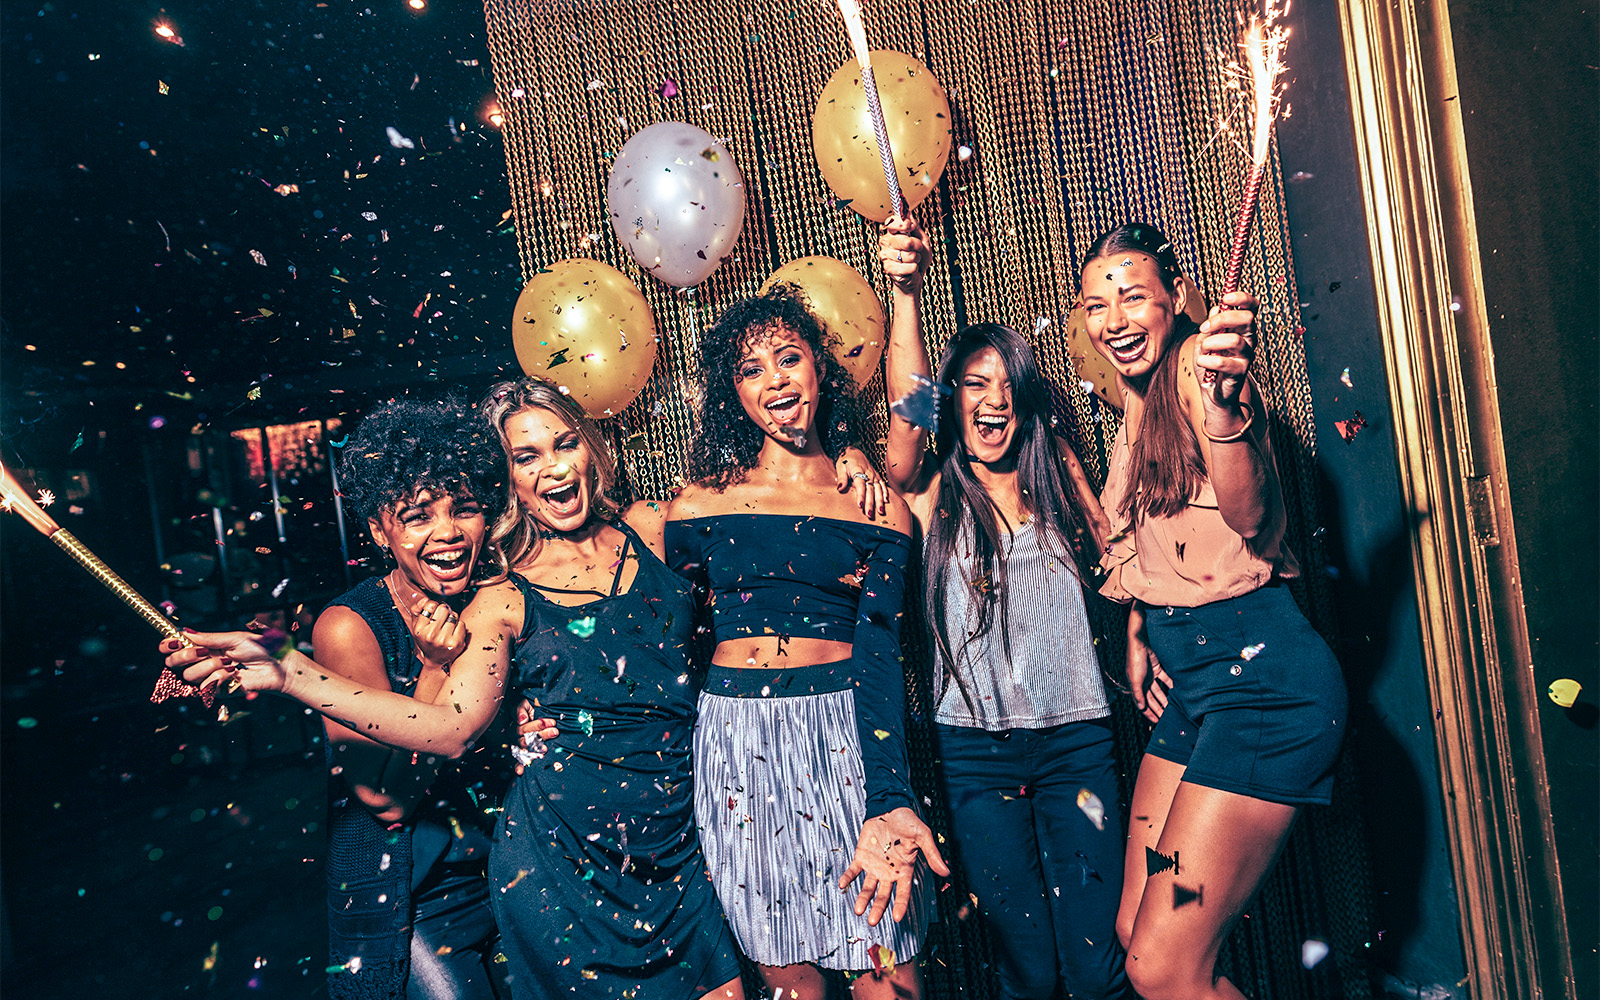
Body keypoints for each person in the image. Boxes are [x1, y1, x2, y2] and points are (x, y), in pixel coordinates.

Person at [163, 378, 884, 1000]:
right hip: (563, 868)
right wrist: (289, 667)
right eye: (524, 456)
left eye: (563, 444)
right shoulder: (499, 595)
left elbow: (770, 535)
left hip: (681, 851)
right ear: (504, 479)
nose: (551, 469)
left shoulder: (658, 528)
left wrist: (846, 457)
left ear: (591, 450)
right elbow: (446, 726)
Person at [1078, 223, 1347, 1000]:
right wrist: (1139, 625)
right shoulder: (1135, 398)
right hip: (1198, 683)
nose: (1115, 320)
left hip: (1267, 684)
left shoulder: (1203, 370)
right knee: (1137, 931)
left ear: (1177, 298)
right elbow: (1155, 535)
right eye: (1097, 305)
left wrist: (1225, 412)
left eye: (1133, 297)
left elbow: (1252, 516)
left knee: (1162, 966)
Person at [666, 285, 949, 1000]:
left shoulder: (877, 507)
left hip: (846, 741)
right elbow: (670, 655)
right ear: (735, 395)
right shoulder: (699, 506)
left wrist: (888, 794)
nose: (776, 380)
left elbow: (882, 661)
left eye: (789, 358)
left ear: (821, 370)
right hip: (734, 749)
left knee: (889, 974)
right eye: (752, 369)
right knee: (792, 986)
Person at [875, 219, 1131, 1000]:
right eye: (973, 385)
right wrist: (905, 294)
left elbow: (1124, 561)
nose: (990, 401)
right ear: (955, 402)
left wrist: (1149, 636)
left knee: (1098, 966)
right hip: (977, 759)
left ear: (1023, 400)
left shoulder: (1056, 472)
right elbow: (907, 410)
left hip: (1077, 746)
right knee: (1028, 967)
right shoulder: (923, 495)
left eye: (1004, 386)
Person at [312, 397, 514, 1000]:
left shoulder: (496, 601)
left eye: (465, 509)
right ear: (379, 530)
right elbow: (385, 799)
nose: (447, 533)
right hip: (412, 893)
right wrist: (432, 668)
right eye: (417, 516)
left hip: (515, 870)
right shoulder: (350, 626)